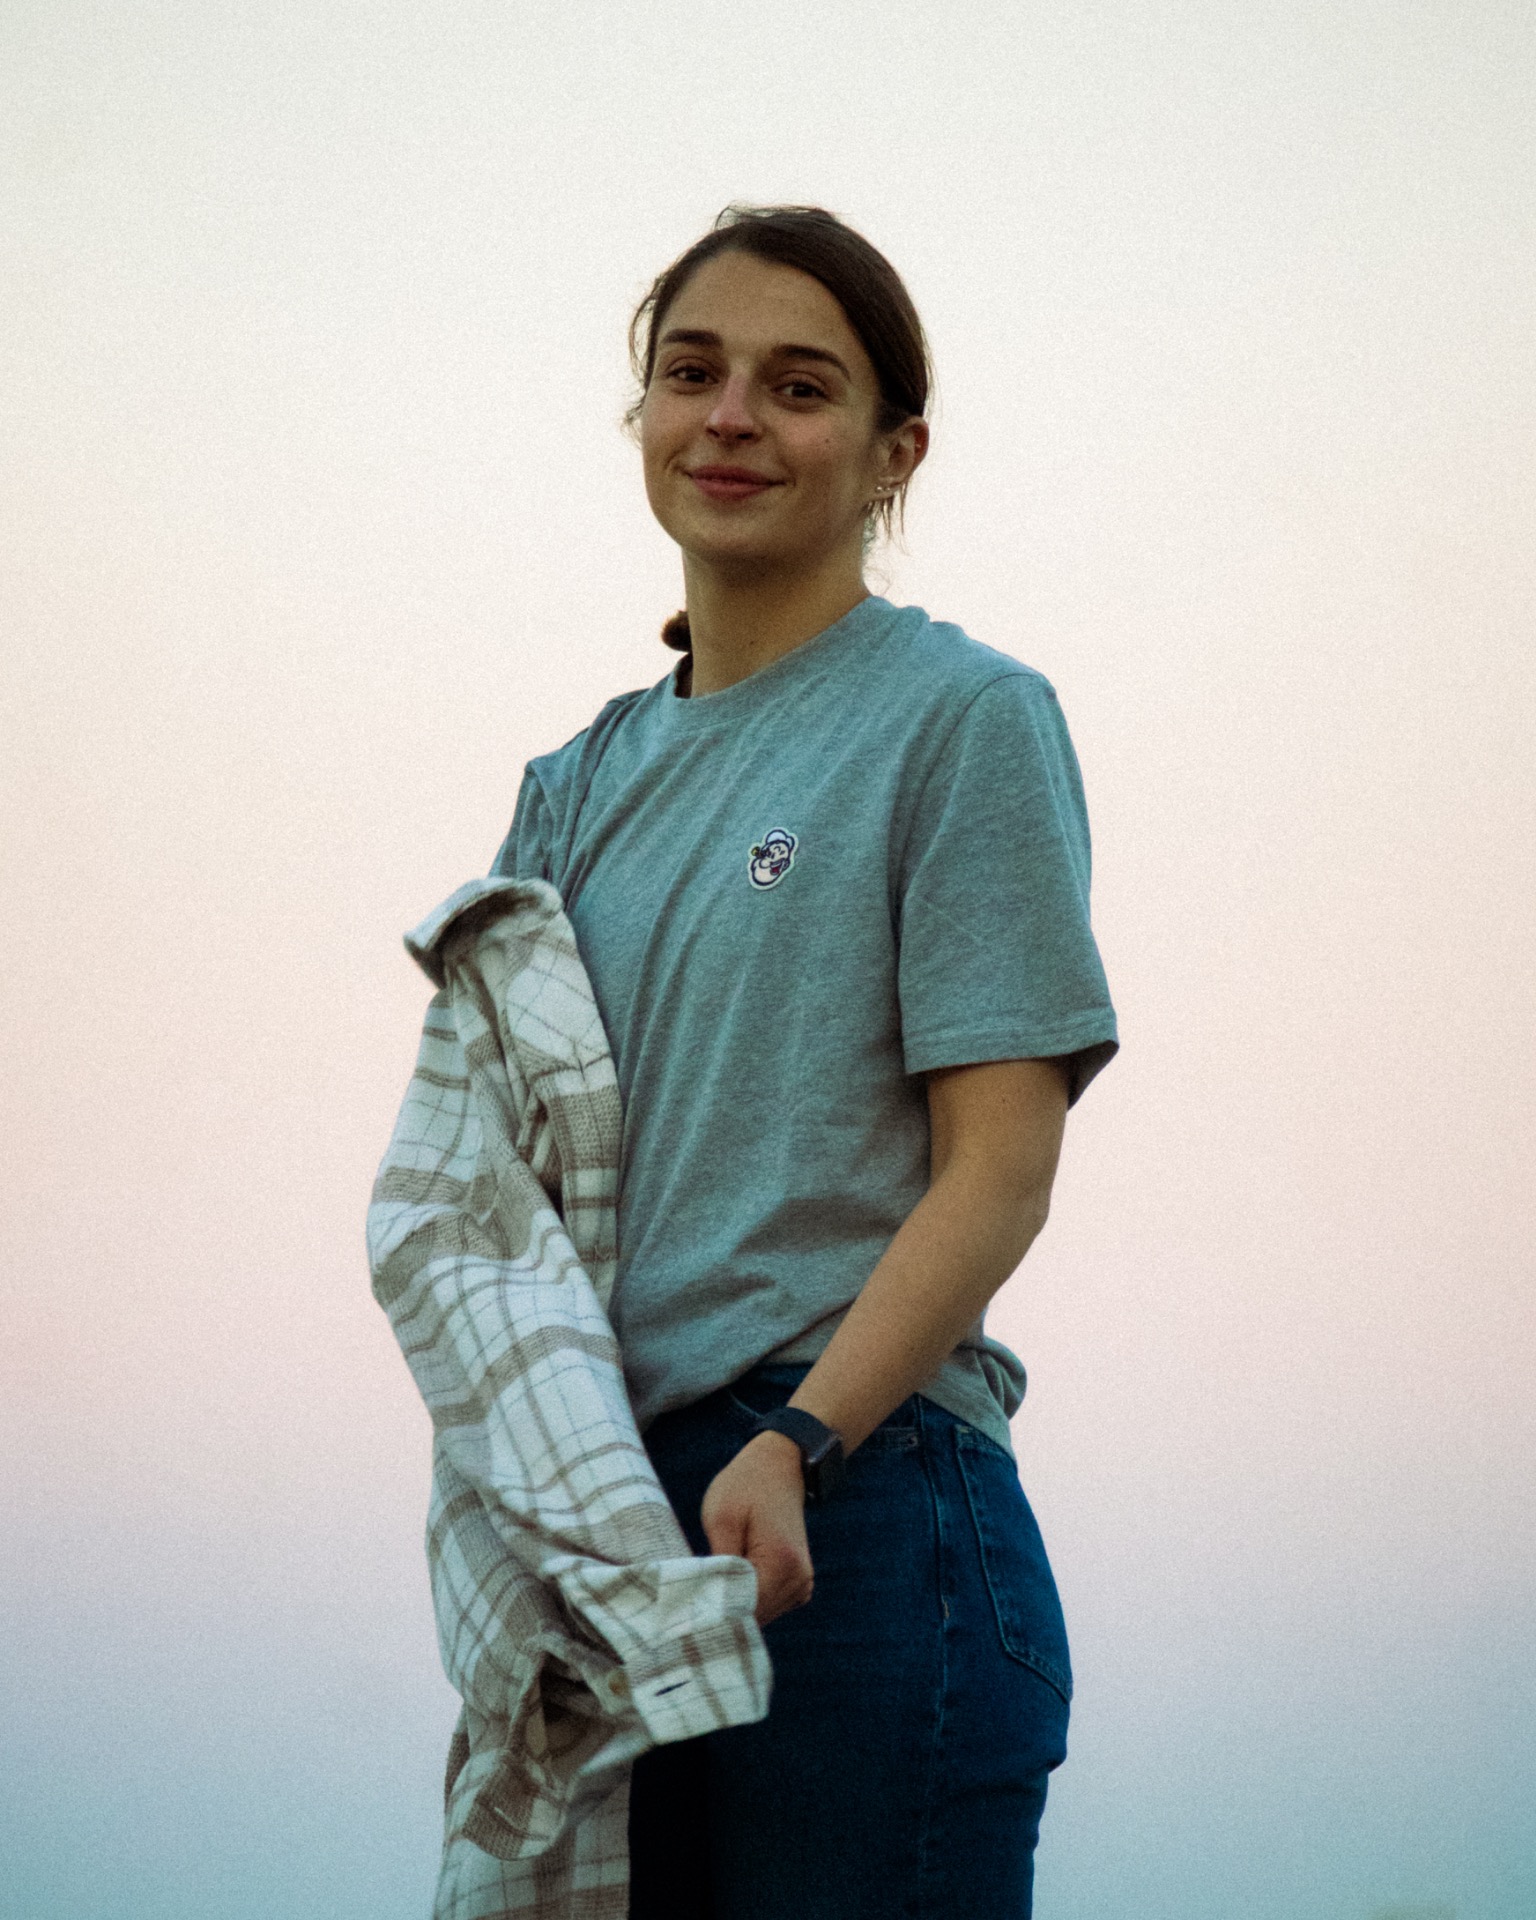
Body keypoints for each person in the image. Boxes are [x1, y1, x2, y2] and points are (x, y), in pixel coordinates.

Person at [491, 204, 1118, 1920]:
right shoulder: (567, 791)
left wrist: (801, 1442)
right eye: (691, 373)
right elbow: (495, 1196)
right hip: (615, 1544)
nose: (731, 420)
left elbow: (1002, 1167)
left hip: (861, 1511)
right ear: (641, 415)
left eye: (799, 386)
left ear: (893, 451)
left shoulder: (960, 718)